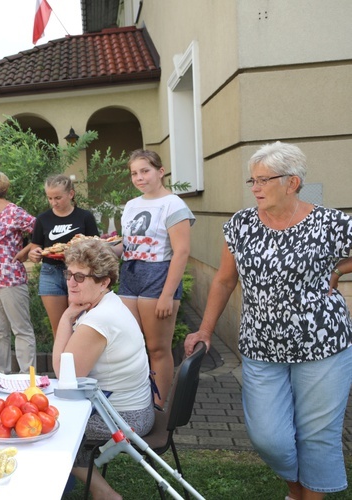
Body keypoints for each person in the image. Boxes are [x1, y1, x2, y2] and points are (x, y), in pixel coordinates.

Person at [185, 141, 352, 500]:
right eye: (252, 181)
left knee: (317, 434)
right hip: (261, 345)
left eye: (263, 180)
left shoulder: (330, 221)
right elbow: (225, 280)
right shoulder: (241, 225)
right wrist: (206, 329)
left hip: (323, 343)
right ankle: (296, 488)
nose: (255, 188)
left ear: (292, 182)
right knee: (269, 437)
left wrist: (336, 270)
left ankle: (306, 496)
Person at [54, 239, 154, 500]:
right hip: (128, 409)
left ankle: (106, 494)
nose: (71, 282)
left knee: (51, 431)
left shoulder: (99, 319)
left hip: (126, 418)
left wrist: (66, 318)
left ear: (104, 281)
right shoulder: (109, 304)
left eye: (80, 276)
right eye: (69, 274)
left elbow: (64, 376)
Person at [112, 150, 194, 408]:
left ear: (160, 171)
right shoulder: (131, 205)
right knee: (132, 345)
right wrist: (101, 250)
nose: (139, 177)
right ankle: (137, 402)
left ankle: (158, 406)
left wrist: (167, 294)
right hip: (130, 274)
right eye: (134, 173)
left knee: (157, 348)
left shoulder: (174, 204)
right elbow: (127, 245)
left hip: (158, 275)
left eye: (145, 171)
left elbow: (181, 251)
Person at [27, 174, 99, 337]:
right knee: (59, 328)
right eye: (50, 198)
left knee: (81, 325)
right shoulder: (43, 219)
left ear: (71, 194)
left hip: (80, 273)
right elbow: (36, 246)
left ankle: (81, 361)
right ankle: (61, 362)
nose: (53, 202)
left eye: (58, 197)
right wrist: (34, 254)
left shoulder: (84, 217)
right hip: (50, 272)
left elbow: (96, 246)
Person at [0, 172, 37, 374]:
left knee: (21, 329)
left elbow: (40, 228)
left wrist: (27, 250)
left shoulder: (14, 212)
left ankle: (26, 377)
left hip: (11, 279)